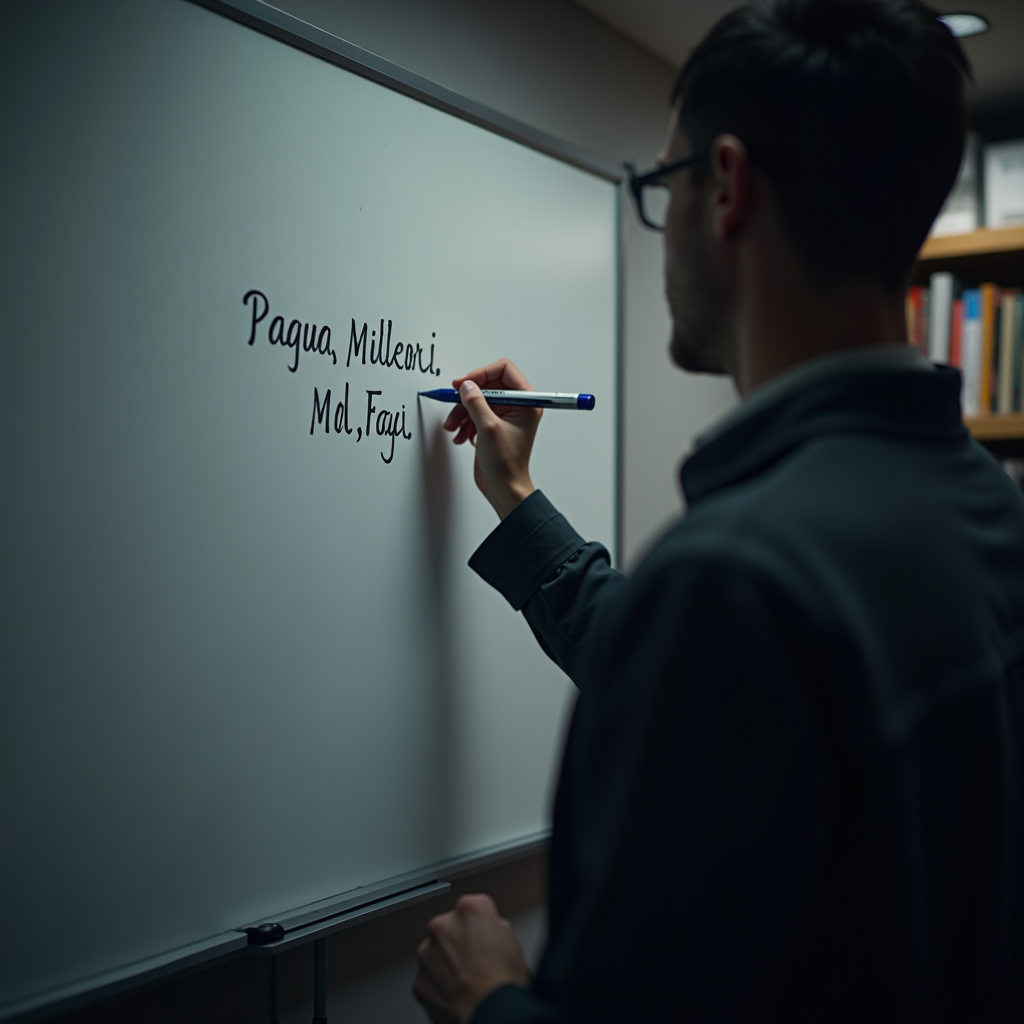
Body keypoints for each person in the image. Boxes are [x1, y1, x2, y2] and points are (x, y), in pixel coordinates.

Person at [413, 0, 1024, 1020]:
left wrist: (493, 1001)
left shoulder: (730, 587)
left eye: (662, 185)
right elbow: (742, 702)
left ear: (725, 186)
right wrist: (516, 500)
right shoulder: (979, 509)